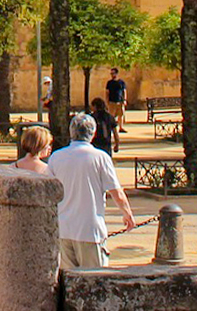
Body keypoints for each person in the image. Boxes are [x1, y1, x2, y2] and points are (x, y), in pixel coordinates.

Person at [50, 111, 136, 268]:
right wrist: (127, 214)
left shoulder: (56, 157)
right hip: (89, 229)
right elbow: (116, 192)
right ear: (93, 133)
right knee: (94, 281)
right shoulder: (100, 157)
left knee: (67, 282)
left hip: (63, 229)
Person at [104, 68, 127, 151]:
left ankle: (121, 127)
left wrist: (124, 100)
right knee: (111, 116)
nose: (112, 75)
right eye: (111, 74)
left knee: (121, 115)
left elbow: (124, 91)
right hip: (112, 102)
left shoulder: (121, 82)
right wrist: (107, 102)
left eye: (113, 73)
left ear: (117, 73)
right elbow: (107, 93)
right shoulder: (109, 83)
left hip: (120, 101)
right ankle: (111, 127)